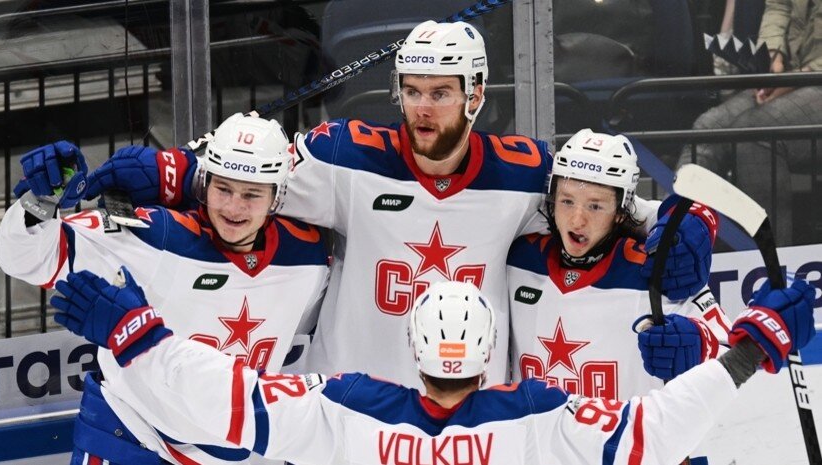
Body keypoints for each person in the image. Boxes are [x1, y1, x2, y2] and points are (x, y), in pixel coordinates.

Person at [81, 20, 718, 389]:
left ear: (475, 96)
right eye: (412, 91)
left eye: (440, 93)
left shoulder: (524, 173)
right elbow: (248, 177)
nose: (422, 108)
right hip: (348, 410)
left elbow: (613, 203)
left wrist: (691, 225)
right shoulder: (346, 157)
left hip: (469, 418)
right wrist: (172, 171)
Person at [51, 269, 816, 465]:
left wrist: (137, 336)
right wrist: (753, 346)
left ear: (415, 347)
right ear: (486, 351)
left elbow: (230, 401)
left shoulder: (346, 406)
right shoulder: (539, 414)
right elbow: (657, 429)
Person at [0, 114, 329, 464]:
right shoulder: (158, 237)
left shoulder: (308, 258)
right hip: (133, 440)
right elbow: (28, 258)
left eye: (252, 194)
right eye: (223, 189)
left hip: (238, 453)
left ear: (277, 196)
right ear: (204, 182)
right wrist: (41, 200)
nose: (233, 207)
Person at [507, 129, 729, 400]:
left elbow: (734, 351)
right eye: (567, 201)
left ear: (622, 211)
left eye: (595, 206)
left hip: (627, 430)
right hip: (533, 430)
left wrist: (701, 344)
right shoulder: (517, 259)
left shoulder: (657, 270)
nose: (577, 220)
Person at [676, 0, 822, 246]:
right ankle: (670, 242)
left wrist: (795, 79)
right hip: (791, 73)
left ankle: (770, 260)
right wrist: (773, 58)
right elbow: (779, 6)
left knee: (757, 133)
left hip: (810, 77)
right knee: (709, 126)